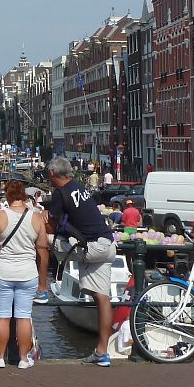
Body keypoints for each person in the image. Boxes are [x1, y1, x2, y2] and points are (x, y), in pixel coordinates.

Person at [46, 157, 116, 367]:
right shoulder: (80, 187)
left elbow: (50, 227)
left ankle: (40, 288)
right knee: (102, 298)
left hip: (91, 248)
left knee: (41, 239)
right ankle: (102, 352)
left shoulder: (60, 193)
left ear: (52, 174)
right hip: (108, 244)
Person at [0, 181, 50, 369]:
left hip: (3, 272)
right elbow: (42, 244)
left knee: (3, 316)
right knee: (23, 316)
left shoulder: (0, 216)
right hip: (27, 272)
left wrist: (0, 244)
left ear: (7, 196)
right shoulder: (36, 217)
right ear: (23, 196)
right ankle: (23, 359)